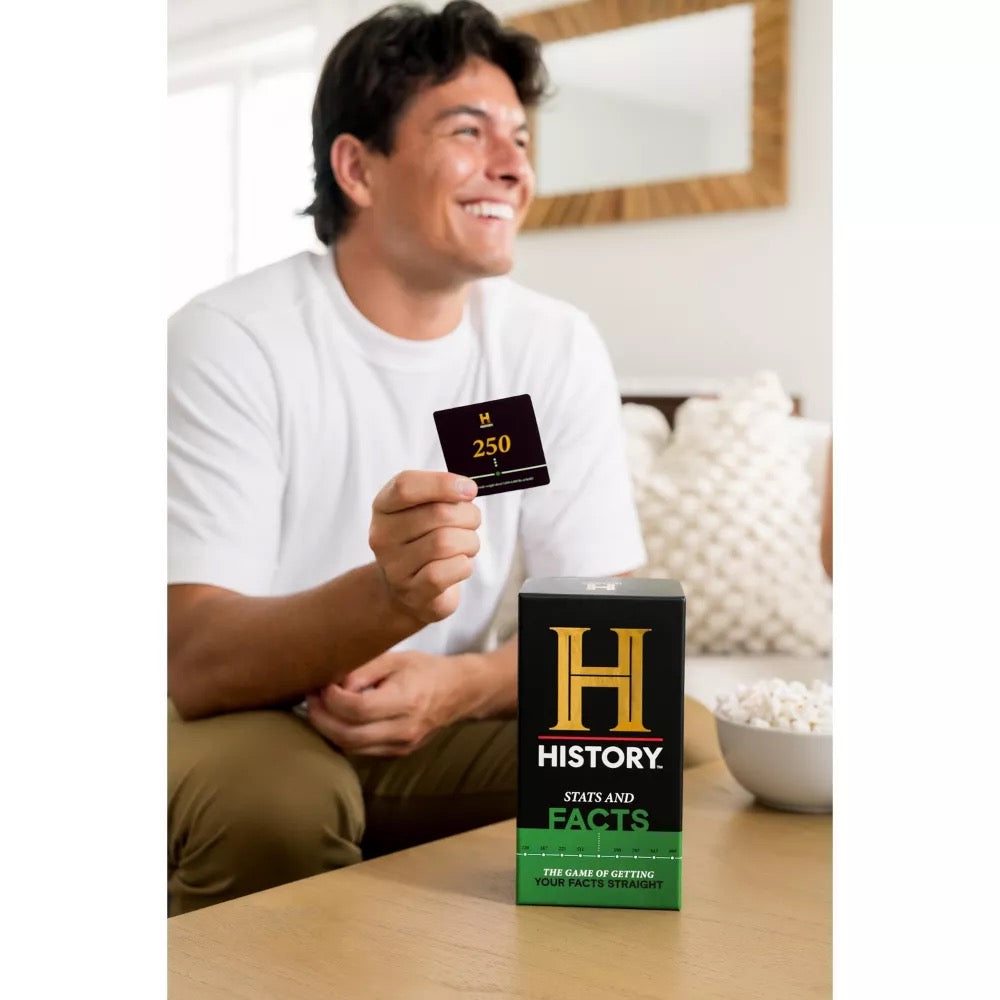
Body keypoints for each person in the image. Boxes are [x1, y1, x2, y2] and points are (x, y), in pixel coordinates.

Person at [167, 1, 713, 916]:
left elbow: (603, 628)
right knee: (281, 810)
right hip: (248, 719)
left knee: (681, 744)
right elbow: (196, 660)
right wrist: (389, 600)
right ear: (357, 168)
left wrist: (460, 687)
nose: (513, 165)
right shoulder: (231, 340)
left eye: (520, 139)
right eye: (468, 131)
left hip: (431, 718)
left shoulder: (547, 346)